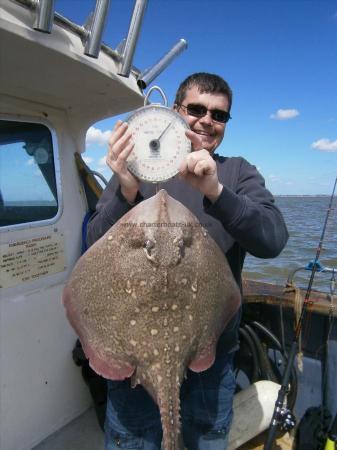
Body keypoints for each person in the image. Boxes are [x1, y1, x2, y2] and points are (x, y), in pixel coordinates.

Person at [86, 72, 289, 450]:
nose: (207, 121)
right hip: (135, 353)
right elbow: (94, 243)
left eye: (219, 115)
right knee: (132, 441)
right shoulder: (136, 169)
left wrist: (215, 191)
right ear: (176, 111)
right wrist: (126, 190)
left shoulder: (236, 172)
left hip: (210, 355)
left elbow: (273, 239)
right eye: (196, 109)